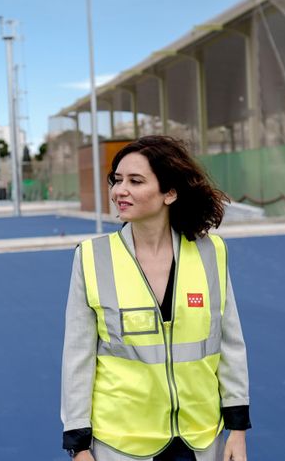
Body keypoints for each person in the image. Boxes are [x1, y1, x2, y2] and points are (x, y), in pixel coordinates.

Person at [61, 135, 250, 461]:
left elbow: (229, 343)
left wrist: (237, 429)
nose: (120, 191)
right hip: (122, 445)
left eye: (135, 181)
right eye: (117, 180)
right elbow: (78, 356)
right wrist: (78, 446)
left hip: (200, 439)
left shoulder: (211, 253)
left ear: (170, 193)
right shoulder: (92, 258)